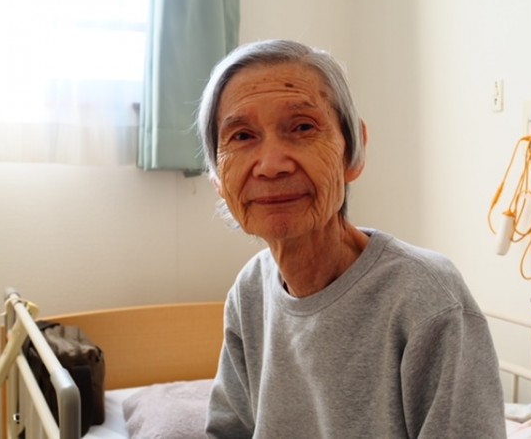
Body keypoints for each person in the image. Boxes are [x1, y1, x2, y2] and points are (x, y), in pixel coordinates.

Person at [197, 39, 506, 438]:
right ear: (218, 179)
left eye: (303, 127)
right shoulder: (250, 292)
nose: (271, 166)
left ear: (352, 152)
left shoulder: (426, 300)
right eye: (241, 136)